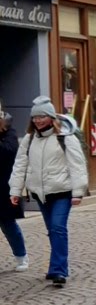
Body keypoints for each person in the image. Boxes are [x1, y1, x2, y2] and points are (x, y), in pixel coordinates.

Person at [9, 96, 88, 287]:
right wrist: (15, 190)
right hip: (41, 194)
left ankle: (59, 270)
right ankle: (56, 266)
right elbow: (20, 166)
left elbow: (77, 165)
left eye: (42, 116)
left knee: (58, 228)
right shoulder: (29, 139)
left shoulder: (65, 138)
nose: (38, 120)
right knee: (52, 230)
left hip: (62, 191)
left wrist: (78, 192)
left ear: (52, 117)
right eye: (35, 117)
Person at [0, 106, 28, 270]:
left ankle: (21, 256)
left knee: (7, 224)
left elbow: (9, 151)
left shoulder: (10, 133)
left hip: (3, 187)